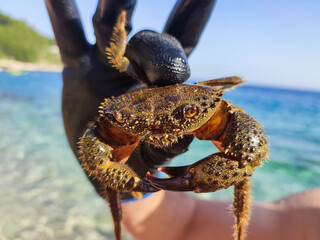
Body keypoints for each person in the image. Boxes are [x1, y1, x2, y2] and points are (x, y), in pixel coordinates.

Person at [45, 0, 320, 239]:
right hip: (140, 114)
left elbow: (244, 157)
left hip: (163, 108)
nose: (160, 131)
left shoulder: (215, 110)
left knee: (243, 159)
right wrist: (128, 189)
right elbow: (182, 227)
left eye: (187, 115)